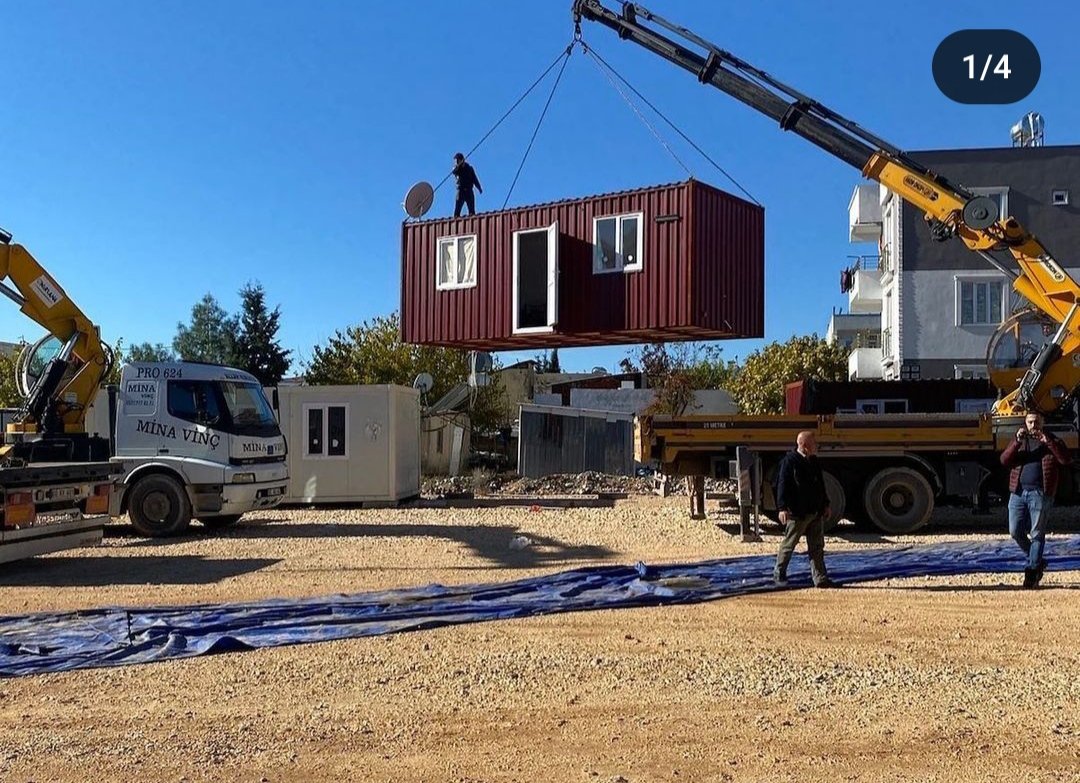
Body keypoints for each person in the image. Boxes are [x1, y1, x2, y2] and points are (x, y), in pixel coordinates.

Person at [999, 411, 1070, 589]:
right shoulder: (1020, 441)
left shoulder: (1052, 440)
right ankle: (1037, 560)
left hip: (1040, 493)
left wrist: (1049, 442)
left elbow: (1065, 459)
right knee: (1015, 531)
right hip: (1018, 492)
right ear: (1025, 423)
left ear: (1043, 422)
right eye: (1030, 422)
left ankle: (1032, 572)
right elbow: (1004, 460)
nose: (1033, 426)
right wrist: (1016, 442)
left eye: (1036, 422)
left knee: (1037, 533)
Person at [773, 430, 837, 588]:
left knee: (817, 546)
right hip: (798, 512)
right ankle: (779, 574)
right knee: (789, 545)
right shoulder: (790, 461)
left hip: (815, 510)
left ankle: (820, 578)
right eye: (814, 443)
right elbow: (782, 485)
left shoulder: (814, 461)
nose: (817, 446)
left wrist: (826, 504)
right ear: (805, 445)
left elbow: (820, 485)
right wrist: (782, 508)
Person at [452, 152, 482, 217]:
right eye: (456, 161)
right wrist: (458, 166)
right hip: (461, 191)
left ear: (461, 160)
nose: (456, 162)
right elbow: (454, 172)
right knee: (457, 211)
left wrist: (479, 188)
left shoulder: (469, 168)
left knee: (471, 211)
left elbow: (474, 179)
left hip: (469, 191)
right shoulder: (457, 169)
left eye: (457, 160)